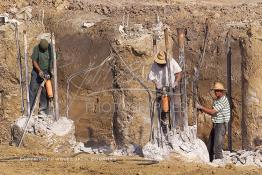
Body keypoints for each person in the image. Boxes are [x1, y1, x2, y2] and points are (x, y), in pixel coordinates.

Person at [148, 51, 182, 134]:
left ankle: (177, 126)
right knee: (163, 107)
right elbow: (151, 76)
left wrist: (176, 82)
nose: (161, 65)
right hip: (161, 88)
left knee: (176, 105)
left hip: (172, 86)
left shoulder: (171, 61)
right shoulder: (155, 64)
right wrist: (157, 83)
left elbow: (179, 73)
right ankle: (164, 126)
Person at [196, 82, 231, 162]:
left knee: (217, 146)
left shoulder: (223, 100)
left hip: (221, 124)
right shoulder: (217, 100)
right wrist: (202, 109)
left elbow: (213, 112)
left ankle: (219, 162)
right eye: (215, 91)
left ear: (222, 91)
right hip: (216, 124)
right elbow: (213, 112)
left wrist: (201, 107)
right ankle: (210, 162)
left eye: (218, 91)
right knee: (210, 145)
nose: (216, 92)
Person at [29, 39, 53, 115]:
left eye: (45, 49)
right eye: (43, 50)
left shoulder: (50, 48)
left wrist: (50, 71)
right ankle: (31, 110)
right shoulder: (36, 48)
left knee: (44, 90)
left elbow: (53, 60)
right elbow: (34, 61)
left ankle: (43, 109)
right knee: (33, 89)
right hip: (37, 71)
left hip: (46, 70)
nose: (44, 51)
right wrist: (39, 71)